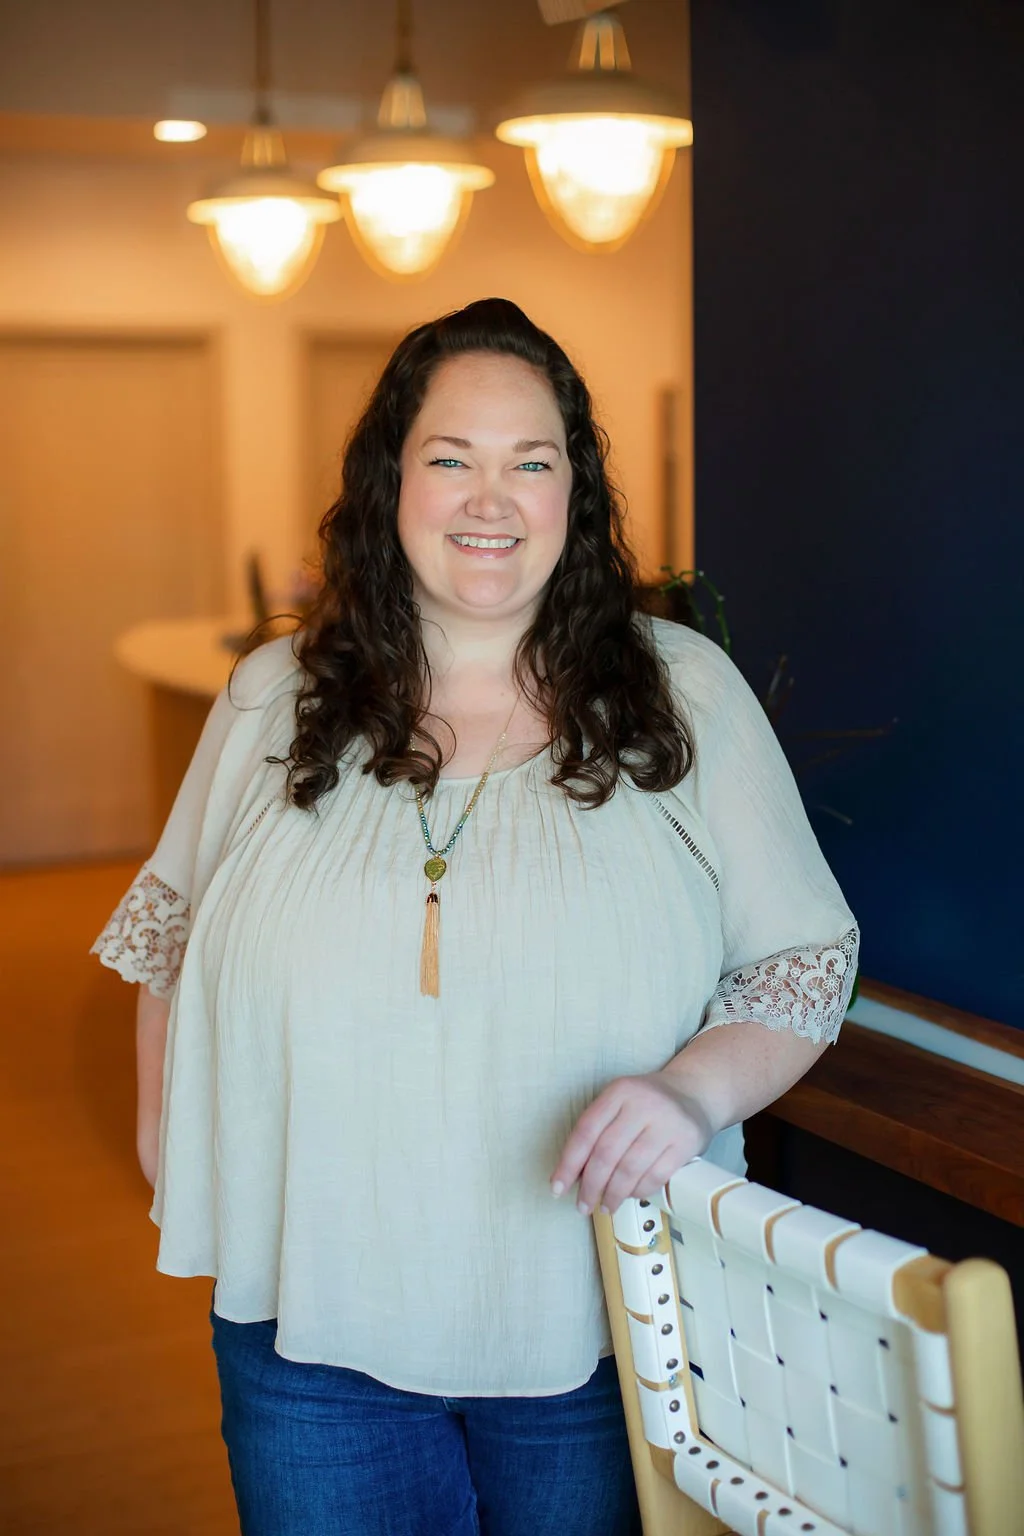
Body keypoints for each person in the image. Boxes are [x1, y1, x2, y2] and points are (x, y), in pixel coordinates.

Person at [90, 297, 859, 1536]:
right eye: (451, 458)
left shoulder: (683, 693)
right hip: (307, 1326)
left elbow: (803, 963)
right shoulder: (272, 698)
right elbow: (164, 941)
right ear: (391, 481)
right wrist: (172, 1157)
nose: (488, 499)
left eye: (530, 463)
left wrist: (690, 1095)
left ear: (575, 494)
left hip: (601, 1321)